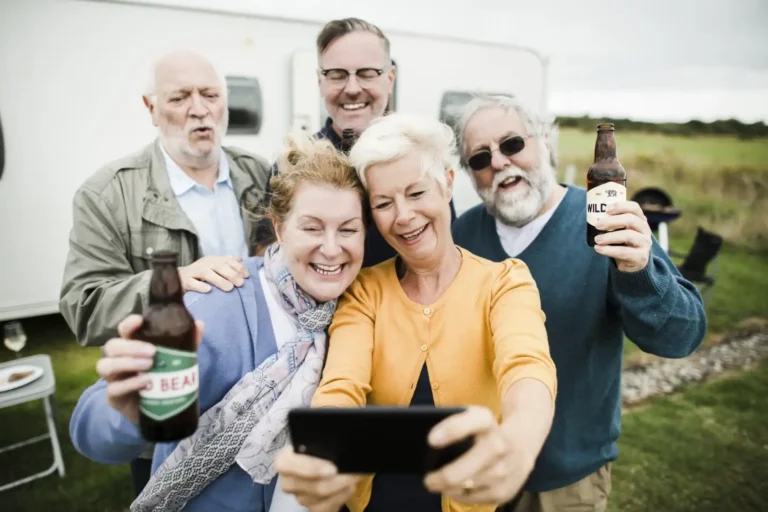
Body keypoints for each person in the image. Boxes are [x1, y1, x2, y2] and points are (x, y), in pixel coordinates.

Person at [69, 133, 368, 512]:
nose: (331, 247)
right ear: (278, 228)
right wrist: (131, 413)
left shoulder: (361, 309)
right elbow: (92, 433)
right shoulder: (221, 302)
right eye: (311, 227)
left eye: (348, 229)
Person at [274, 113, 558, 512]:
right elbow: (341, 386)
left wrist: (519, 443)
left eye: (416, 193)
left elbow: (528, 368)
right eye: (384, 203)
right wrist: (324, 449)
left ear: (447, 183)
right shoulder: (365, 291)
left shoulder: (504, 283)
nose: (403, 216)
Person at [450, 94, 707, 511]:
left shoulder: (604, 223)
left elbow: (682, 337)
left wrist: (638, 269)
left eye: (512, 144)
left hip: (566, 483)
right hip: (477, 473)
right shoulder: (462, 236)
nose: (498, 162)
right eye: (480, 158)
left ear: (546, 142)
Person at [59, 50, 272, 494]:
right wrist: (171, 282)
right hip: (168, 407)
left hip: (260, 401)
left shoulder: (259, 174)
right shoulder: (108, 193)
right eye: (180, 97)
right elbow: (84, 304)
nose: (199, 108)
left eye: (211, 94)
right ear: (150, 108)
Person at [254, 17, 456, 265]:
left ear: (390, 78)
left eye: (366, 74)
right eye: (337, 75)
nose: (352, 88)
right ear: (320, 82)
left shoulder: (420, 156)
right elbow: (268, 259)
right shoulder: (293, 165)